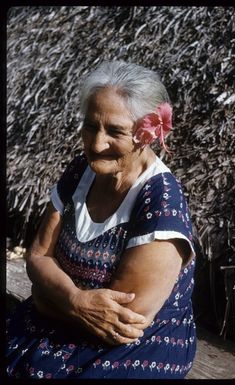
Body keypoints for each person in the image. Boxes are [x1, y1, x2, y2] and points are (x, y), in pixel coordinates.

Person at [6, 60, 196, 379]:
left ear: (147, 134)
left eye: (115, 132)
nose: (96, 144)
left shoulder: (160, 203)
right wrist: (75, 299)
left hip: (131, 350)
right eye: (91, 125)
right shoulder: (81, 169)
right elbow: (38, 255)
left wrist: (48, 295)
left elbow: (118, 325)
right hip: (58, 321)